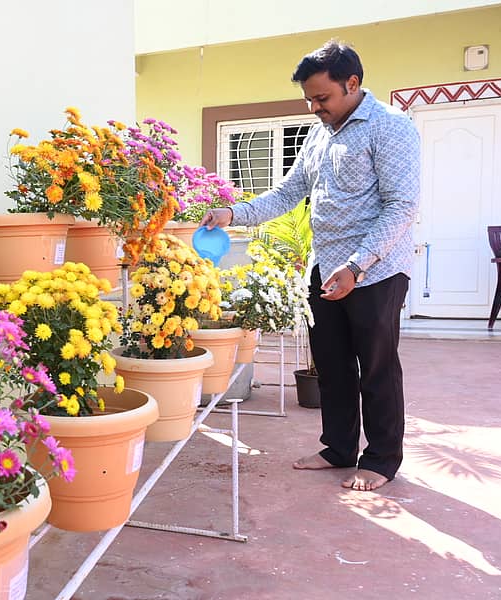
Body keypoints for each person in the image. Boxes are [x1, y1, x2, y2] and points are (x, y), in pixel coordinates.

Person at [200, 40, 420, 491]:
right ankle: (338, 448)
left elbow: (401, 205)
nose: (314, 107)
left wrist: (356, 267)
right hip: (325, 268)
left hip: (376, 271)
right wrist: (232, 213)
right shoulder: (320, 134)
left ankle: (381, 460)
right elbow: (287, 193)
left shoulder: (391, 126)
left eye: (322, 97)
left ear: (352, 83)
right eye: (309, 99)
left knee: (376, 367)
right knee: (333, 365)